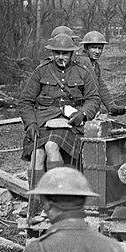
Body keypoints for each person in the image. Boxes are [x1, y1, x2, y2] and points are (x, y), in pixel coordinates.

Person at [18, 33, 100, 186]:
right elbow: (25, 101)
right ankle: (37, 202)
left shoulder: (82, 72)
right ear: (52, 53)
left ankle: (60, 195)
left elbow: (94, 99)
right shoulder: (41, 71)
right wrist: (30, 124)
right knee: (37, 155)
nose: (60, 57)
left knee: (51, 146)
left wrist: (82, 114)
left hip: (71, 124)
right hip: (43, 122)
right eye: (57, 53)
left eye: (64, 53)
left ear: (72, 53)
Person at [81, 30, 126, 116]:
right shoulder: (80, 64)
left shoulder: (95, 65)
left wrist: (111, 106)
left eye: (100, 48)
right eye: (94, 47)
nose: (97, 51)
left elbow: (100, 86)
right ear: (86, 48)